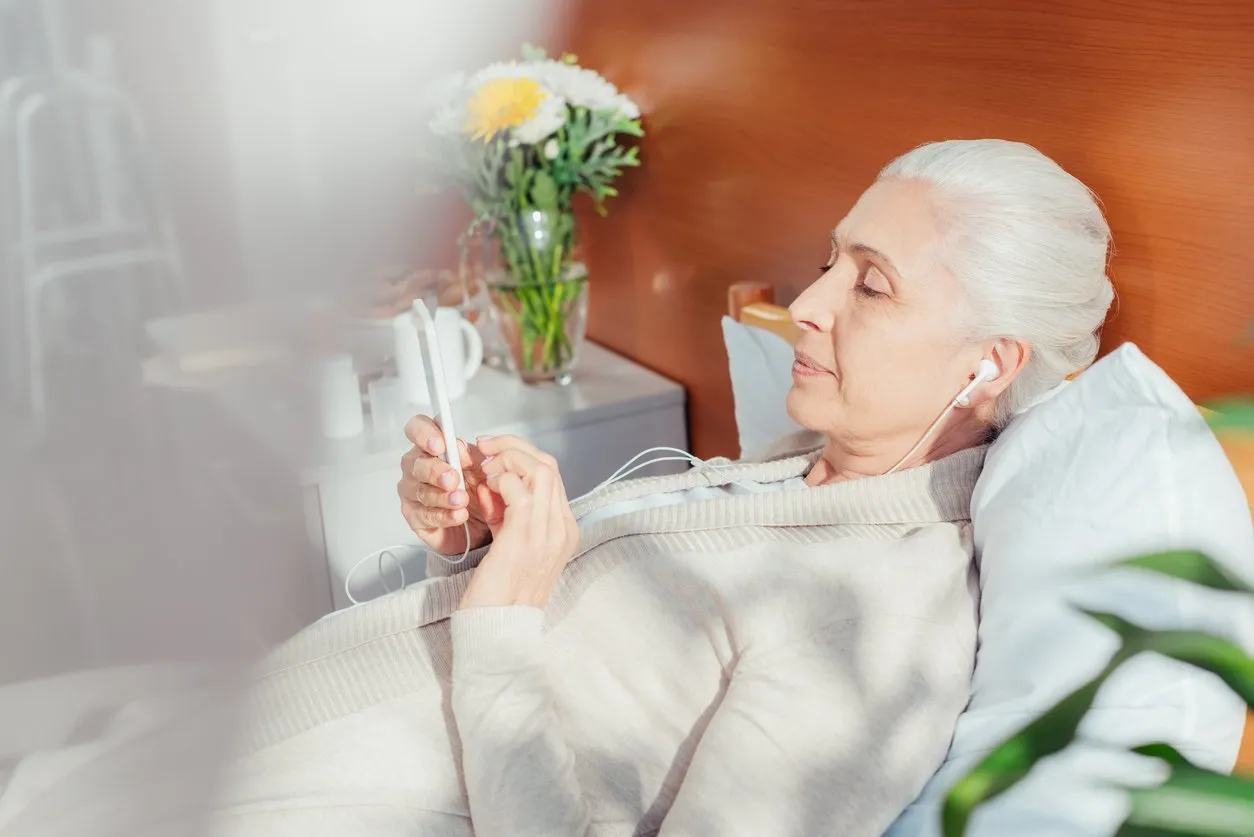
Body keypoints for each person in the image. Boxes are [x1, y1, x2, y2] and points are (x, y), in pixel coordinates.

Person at [209, 139, 1115, 836]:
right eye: (834, 259)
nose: (809, 302)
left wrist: (500, 618)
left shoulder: (880, 628)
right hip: (246, 733)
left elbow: (519, 659)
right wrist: (485, 542)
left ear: (987, 366)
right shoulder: (799, 467)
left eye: (871, 285)